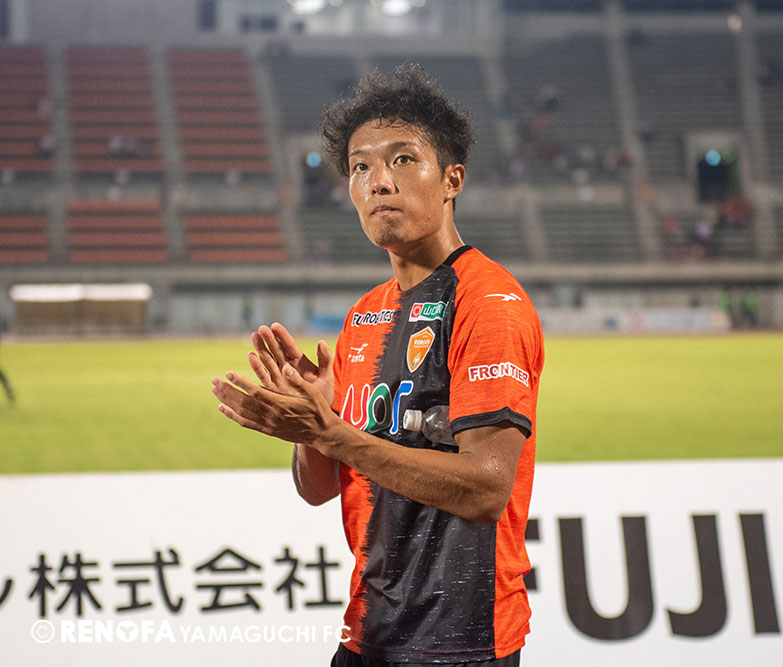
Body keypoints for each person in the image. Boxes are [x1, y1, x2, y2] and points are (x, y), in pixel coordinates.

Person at [211, 64, 544, 667]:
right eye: (360, 167)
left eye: (402, 160)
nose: (377, 182)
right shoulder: (366, 315)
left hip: (462, 640)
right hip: (369, 631)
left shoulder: (487, 302)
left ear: (452, 179)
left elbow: (486, 489)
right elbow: (318, 489)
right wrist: (314, 427)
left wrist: (337, 435)